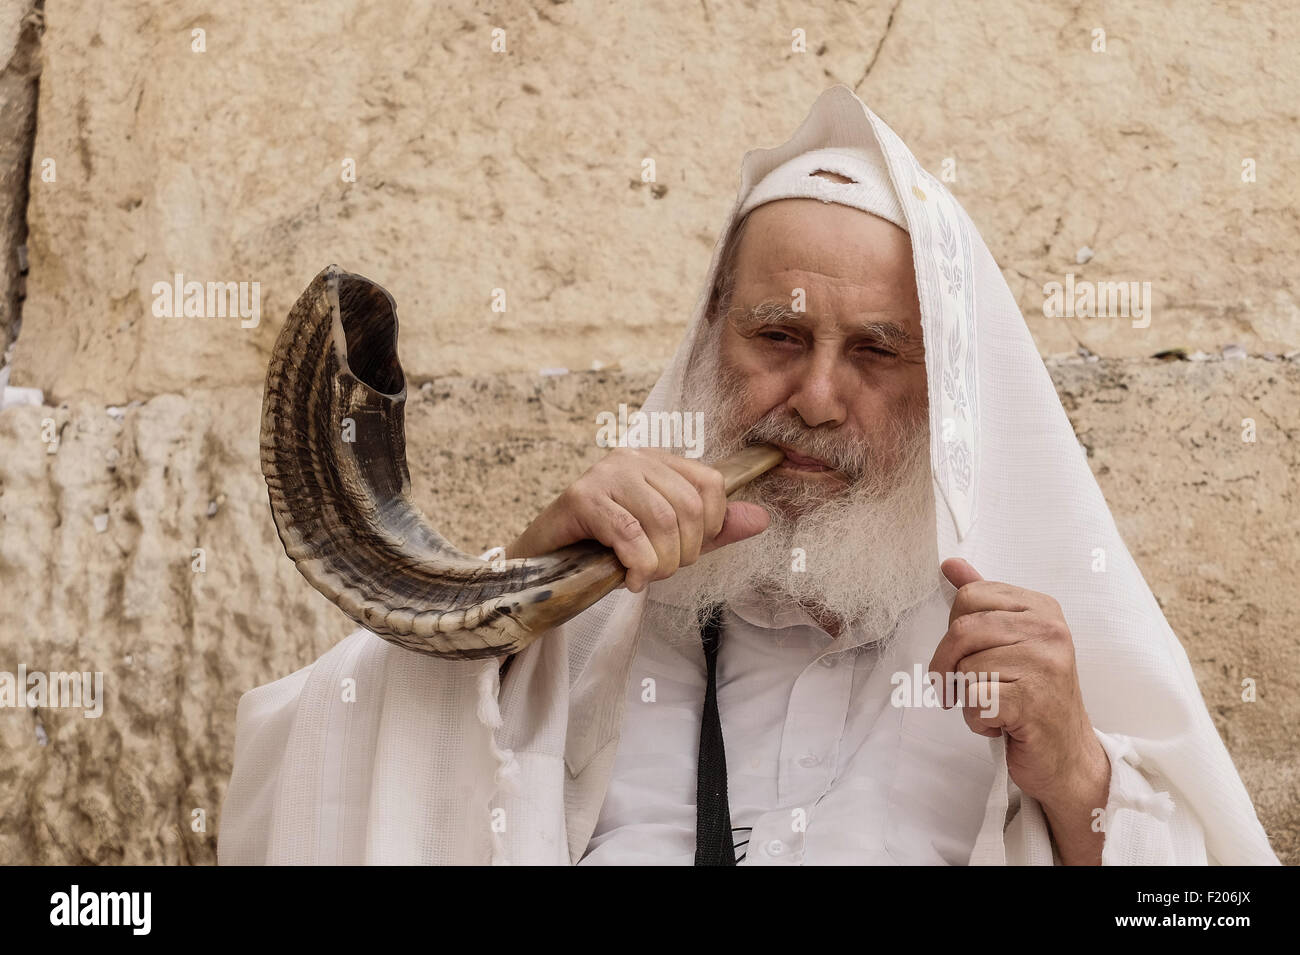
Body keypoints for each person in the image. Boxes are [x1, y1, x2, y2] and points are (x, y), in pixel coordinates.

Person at [218, 85, 1278, 866]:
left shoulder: (1025, 664)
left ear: (945, 387)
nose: (815, 397)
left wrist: (1077, 776)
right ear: (707, 345)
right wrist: (520, 588)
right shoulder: (587, 634)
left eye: (875, 350)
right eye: (777, 334)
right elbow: (300, 776)